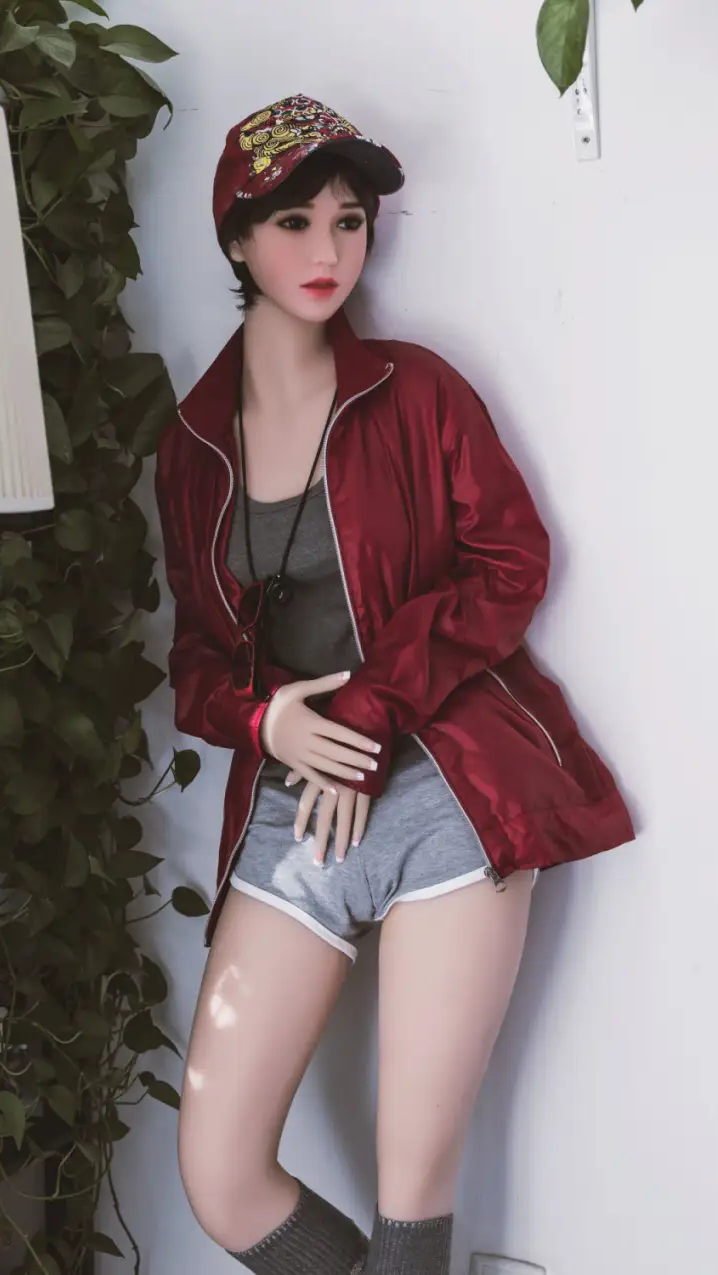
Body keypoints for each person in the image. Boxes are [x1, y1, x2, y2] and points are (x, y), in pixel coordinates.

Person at [154, 93, 635, 1275]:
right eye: (293, 222)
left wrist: (374, 700)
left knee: (410, 1199)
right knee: (220, 1177)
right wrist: (265, 719)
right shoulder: (191, 447)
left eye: (350, 220)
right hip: (295, 810)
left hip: (447, 787)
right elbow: (196, 663)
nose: (328, 250)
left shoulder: (415, 391)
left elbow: (511, 562)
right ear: (236, 239)